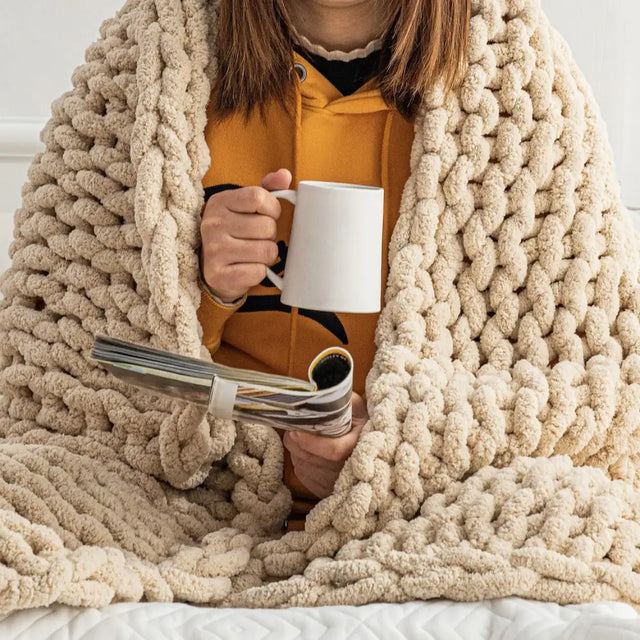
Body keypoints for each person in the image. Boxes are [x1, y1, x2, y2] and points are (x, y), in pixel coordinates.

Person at [197, 0, 470, 530]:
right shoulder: (156, 61)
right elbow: (74, 362)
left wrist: (399, 446)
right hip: (198, 497)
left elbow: (579, 383)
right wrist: (206, 289)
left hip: (432, 518)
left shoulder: (512, 81)